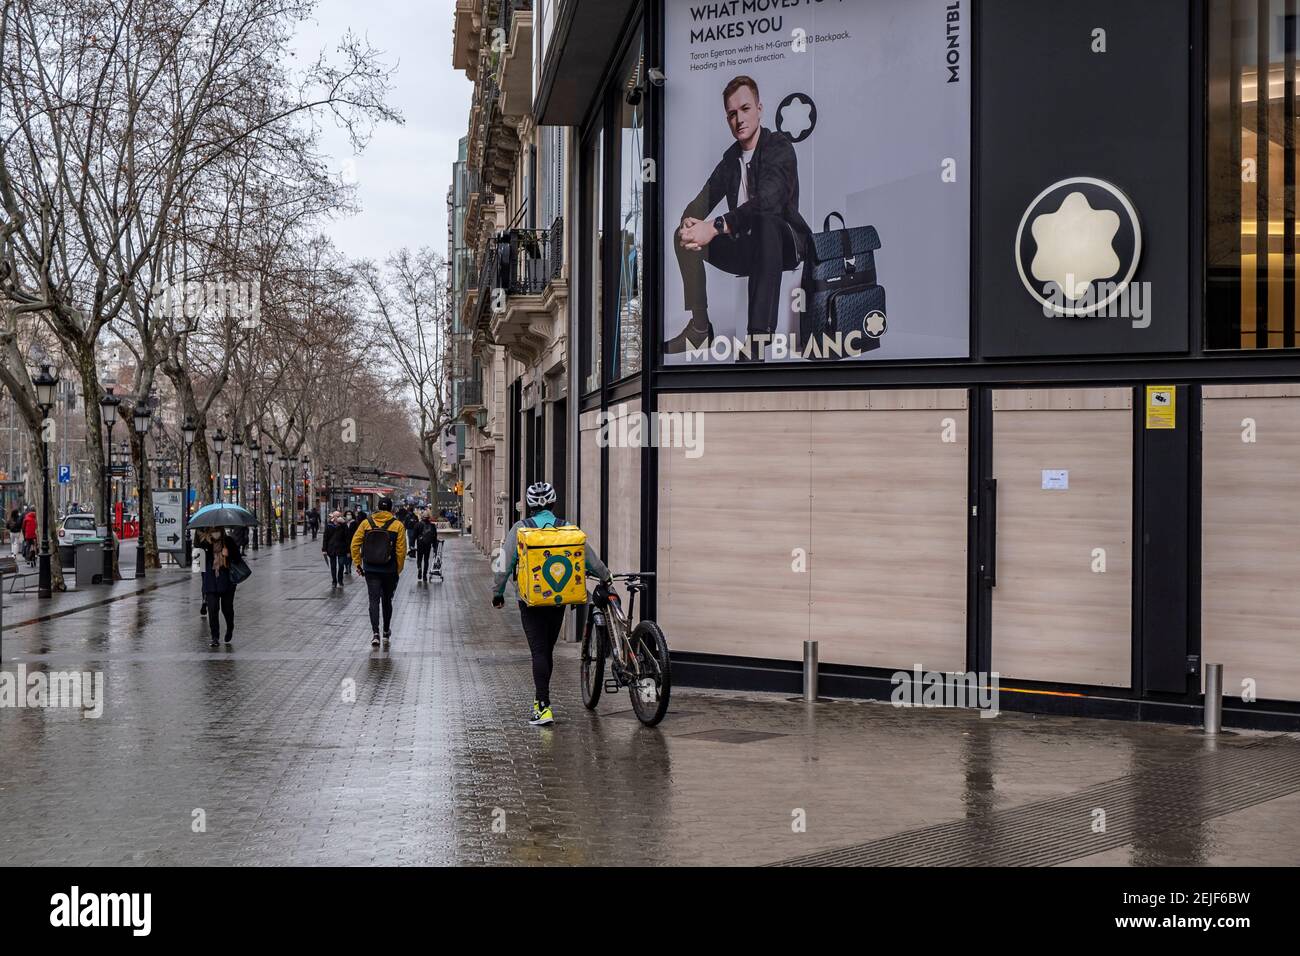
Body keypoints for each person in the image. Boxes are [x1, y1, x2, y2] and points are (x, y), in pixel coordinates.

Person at [668, 74, 811, 360]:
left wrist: (716, 226)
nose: (739, 119)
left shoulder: (778, 146)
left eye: (745, 109)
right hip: (746, 247)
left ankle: (757, 338)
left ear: (759, 109)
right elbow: (699, 203)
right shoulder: (731, 160)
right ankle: (699, 328)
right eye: (732, 114)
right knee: (680, 234)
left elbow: (768, 202)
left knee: (765, 221)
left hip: (782, 245)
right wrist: (690, 222)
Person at [492, 481, 611, 727]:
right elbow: (590, 560)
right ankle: (541, 701)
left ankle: (543, 706)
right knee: (547, 649)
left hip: (530, 600)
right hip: (558, 599)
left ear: (529, 506)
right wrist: (605, 576)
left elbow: (503, 564)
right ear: (554, 503)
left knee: (538, 651)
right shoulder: (567, 528)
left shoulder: (520, 529)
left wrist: (498, 593)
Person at [351, 496, 406, 648]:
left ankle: (375, 633)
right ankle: (386, 631)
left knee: (373, 601)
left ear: (378, 508)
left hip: (371, 568)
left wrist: (358, 563)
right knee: (387, 601)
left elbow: (354, 544)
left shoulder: (366, 523)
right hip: (389, 570)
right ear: (390, 509)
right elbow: (401, 551)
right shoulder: (397, 525)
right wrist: (398, 569)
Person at [196, 527, 243, 647]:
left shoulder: (228, 541)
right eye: (212, 529)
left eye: (216, 529)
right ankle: (215, 637)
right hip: (210, 581)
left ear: (221, 530)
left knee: (226, 609)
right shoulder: (203, 543)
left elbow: (238, 559)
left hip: (227, 581)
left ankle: (230, 627)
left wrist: (228, 555)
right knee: (212, 609)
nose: (214, 531)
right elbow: (197, 564)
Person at [321, 511, 349, 588]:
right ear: (332, 516)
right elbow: (325, 538)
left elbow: (347, 536)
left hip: (341, 548)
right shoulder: (329, 525)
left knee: (341, 565)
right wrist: (324, 549)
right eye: (335, 516)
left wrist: (343, 524)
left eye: (338, 516)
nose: (336, 518)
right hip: (331, 548)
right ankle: (334, 581)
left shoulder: (343, 525)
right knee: (333, 566)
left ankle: (340, 580)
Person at [415, 513, 438, 582]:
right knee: (426, 560)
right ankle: (424, 575)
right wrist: (434, 547)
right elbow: (434, 537)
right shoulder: (432, 526)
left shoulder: (418, 524)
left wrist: (412, 545)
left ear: (422, 518)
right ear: (429, 518)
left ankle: (419, 568)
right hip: (428, 545)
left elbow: (414, 535)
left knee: (419, 559)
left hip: (420, 544)